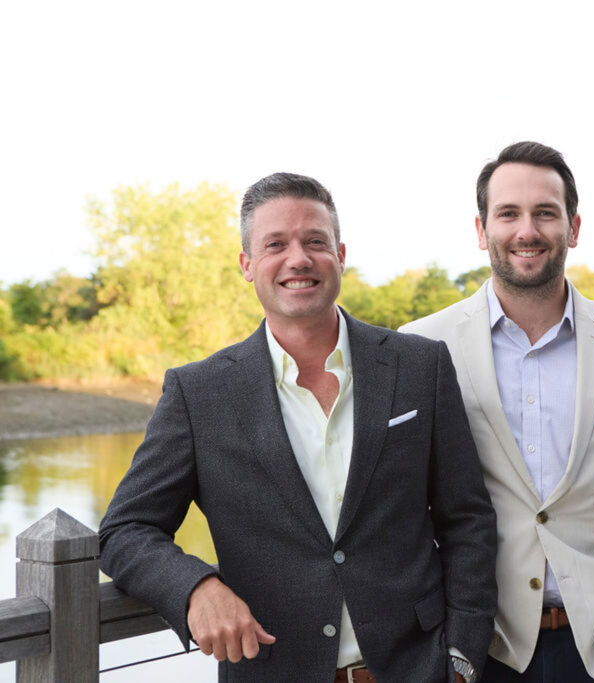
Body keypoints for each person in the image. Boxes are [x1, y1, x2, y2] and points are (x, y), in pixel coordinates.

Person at [99, 172, 498, 682]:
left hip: (418, 670)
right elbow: (124, 530)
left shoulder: (420, 366)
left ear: (340, 255)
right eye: (275, 245)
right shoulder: (198, 394)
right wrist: (196, 587)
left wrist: (462, 656)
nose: (298, 259)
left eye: (315, 241)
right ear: (247, 264)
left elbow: (467, 520)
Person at [401, 142, 594, 683]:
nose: (527, 231)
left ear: (573, 227)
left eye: (545, 213)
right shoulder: (423, 346)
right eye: (508, 214)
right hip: (481, 645)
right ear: (481, 229)